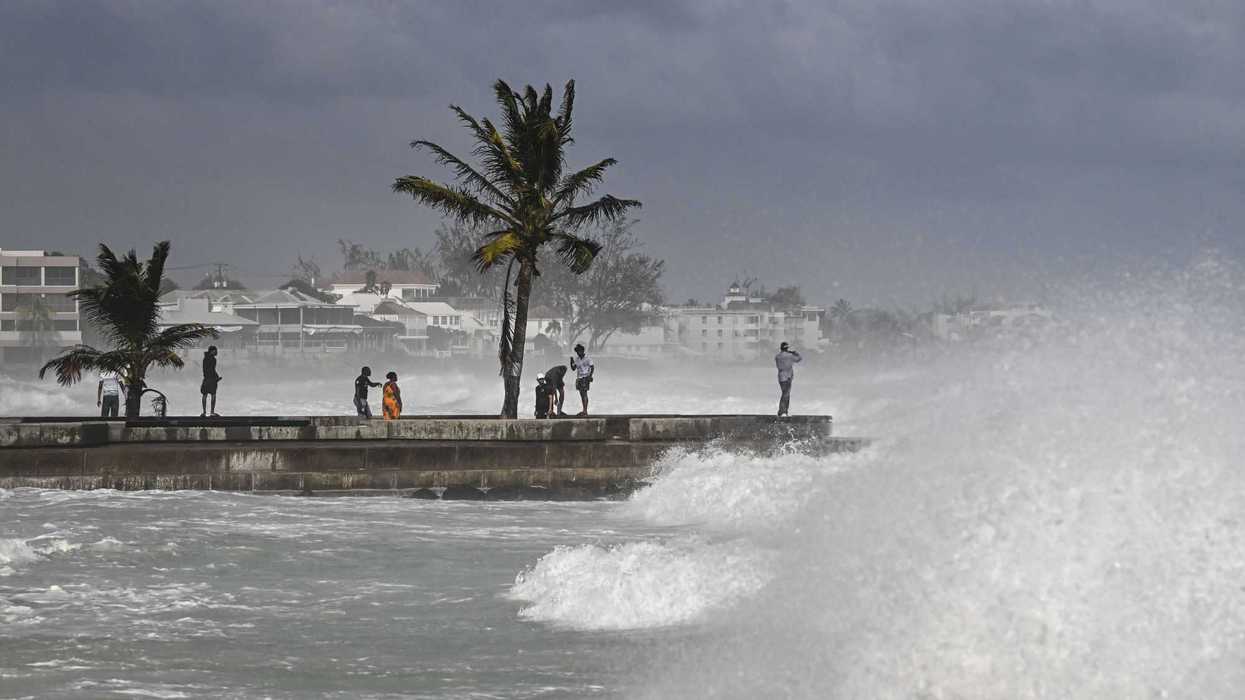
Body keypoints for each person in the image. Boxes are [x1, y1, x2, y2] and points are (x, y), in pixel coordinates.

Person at [774, 341, 803, 417]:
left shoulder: (777, 356)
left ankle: (783, 411)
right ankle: (783, 411)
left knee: (785, 394)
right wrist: (795, 352)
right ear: (787, 348)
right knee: (786, 394)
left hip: (781, 377)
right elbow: (799, 358)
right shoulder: (790, 356)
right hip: (788, 377)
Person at [570, 344, 594, 416]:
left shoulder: (588, 358)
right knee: (581, 394)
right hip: (579, 377)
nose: (578, 353)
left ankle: (585, 411)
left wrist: (590, 376)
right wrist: (571, 361)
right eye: (577, 352)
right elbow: (573, 368)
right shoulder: (577, 359)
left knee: (584, 393)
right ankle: (584, 410)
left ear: (582, 351)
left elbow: (592, 367)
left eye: (579, 351)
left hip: (585, 377)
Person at [200, 346, 222, 417]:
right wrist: (217, 377)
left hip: (206, 379)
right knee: (213, 395)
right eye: (215, 351)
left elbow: (205, 369)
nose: (216, 352)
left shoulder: (204, 358)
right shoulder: (213, 359)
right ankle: (212, 412)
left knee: (204, 395)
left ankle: (204, 412)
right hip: (212, 379)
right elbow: (212, 370)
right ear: (212, 351)